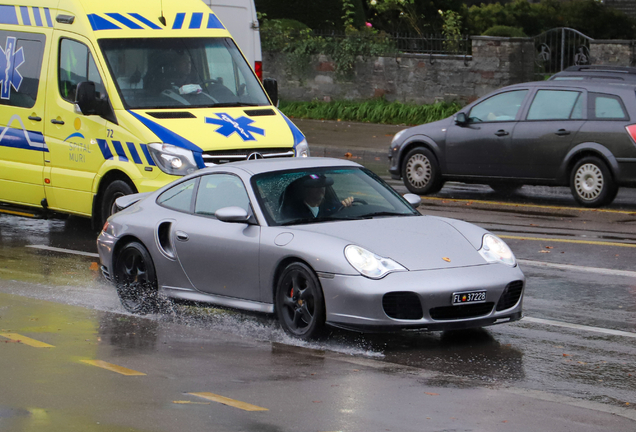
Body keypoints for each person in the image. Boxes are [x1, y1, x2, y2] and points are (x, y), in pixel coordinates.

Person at [280, 174, 354, 220]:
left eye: (323, 186)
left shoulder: (332, 207)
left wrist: (347, 206)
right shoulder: (293, 212)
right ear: (305, 189)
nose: (321, 188)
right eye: (315, 186)